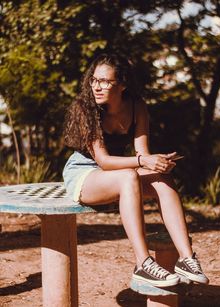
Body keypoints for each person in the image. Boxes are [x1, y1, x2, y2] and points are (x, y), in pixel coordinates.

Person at [63, 53, 209, 288]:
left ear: (121, 85)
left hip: (119, 169)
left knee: (162, 178)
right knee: (128, 176)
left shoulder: (136, 106)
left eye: (105, 81)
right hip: (84, 172)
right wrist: (144, 161)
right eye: (94, 80)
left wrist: (156, 163)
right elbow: (104, 161)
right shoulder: (85, 109)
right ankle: (143, 263)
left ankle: (187, 258)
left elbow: (142, 152)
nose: (96, 87)